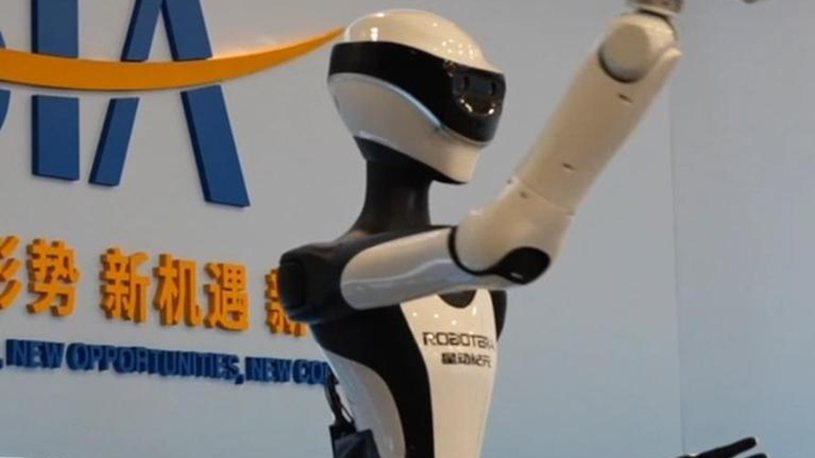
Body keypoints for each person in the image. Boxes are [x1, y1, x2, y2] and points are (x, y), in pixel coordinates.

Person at [278, 2, 768, 458]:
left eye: (487, 91)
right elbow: (501, 242)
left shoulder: (481, 287)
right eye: (467, 88)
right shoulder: (317, 276)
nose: (478, 107)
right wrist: (640, 37)